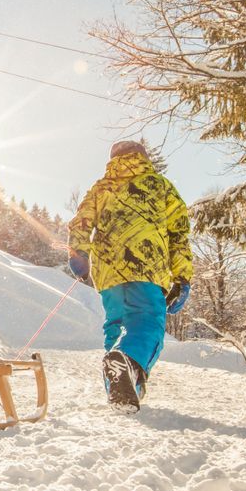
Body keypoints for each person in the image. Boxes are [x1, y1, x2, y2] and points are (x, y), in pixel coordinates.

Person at [67, 140, 193, 413]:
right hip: (146, 266)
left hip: (108, 272)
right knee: (147, 321)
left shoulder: (102, 187)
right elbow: (179, 234)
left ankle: (123, 390)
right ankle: (130, 367)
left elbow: (82, 221)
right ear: (143, 158)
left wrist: (79, 252)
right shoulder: (160, 186)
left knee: (117, 325)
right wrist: (182, 278)